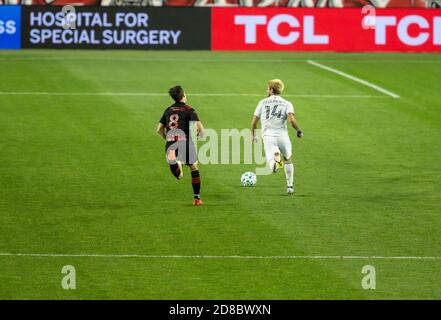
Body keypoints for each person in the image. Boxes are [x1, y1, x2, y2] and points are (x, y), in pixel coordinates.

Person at [251, 79, 303, 195]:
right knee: (288, 159)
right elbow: (291, 120)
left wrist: (253, 135)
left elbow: (254, 122)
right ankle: (290, 186)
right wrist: (299, 130)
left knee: (272, 161)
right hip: (282, 136)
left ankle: (275, 161)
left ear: (271, 90)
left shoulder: (262, 102)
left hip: (268, 136)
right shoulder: (287, 103)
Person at [157, 86, 205, 206]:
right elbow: (201, 130)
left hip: (170, 144)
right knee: (194, 167)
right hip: (185, 143)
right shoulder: (189, 110)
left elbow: (158, 130)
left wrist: (167, 139)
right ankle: (197, 199)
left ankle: (176, 162)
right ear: (184, 96)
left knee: (179, 176)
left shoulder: (168, 110)